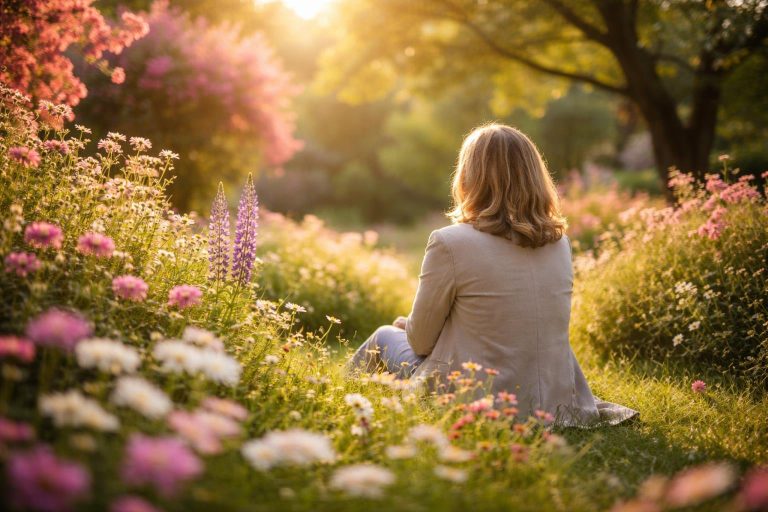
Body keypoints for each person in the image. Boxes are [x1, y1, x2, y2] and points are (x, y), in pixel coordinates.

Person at [347, 123, 638, 427]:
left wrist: (410, 327)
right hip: (552, 400)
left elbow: (420, 344)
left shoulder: (450, 242)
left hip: (478, 394)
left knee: (384, 336)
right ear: (534, 176)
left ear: (469, 177)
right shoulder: (559, 243)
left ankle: (345, 407)